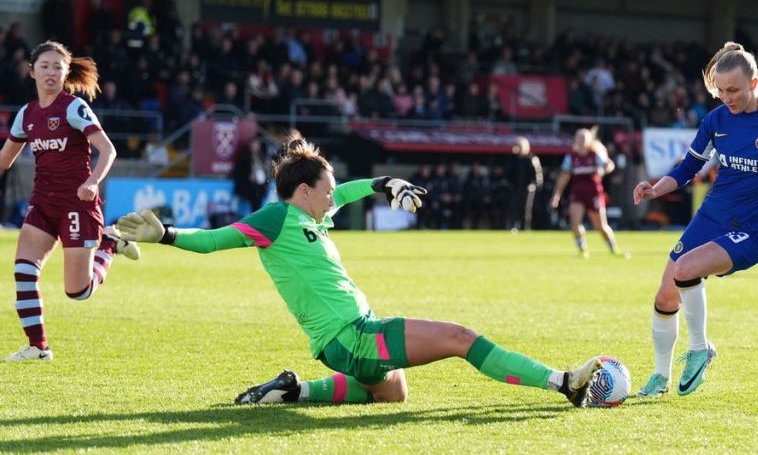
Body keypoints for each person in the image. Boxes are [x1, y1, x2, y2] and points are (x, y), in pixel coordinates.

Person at [115, 134, 602, 406]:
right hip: (352, 337)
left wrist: (385, 183)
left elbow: (346, 192)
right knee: (460, 337)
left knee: (394, 392)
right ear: (303, 191)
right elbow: (215, 239)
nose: (333, 199)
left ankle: (293, 391)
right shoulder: (276, 218)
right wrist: (167, 234)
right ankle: (563, 383)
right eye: (325, 191)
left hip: (343, 342)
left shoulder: (309, 214)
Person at [631, 42, 758, 398]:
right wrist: (656, 189)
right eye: (720, 90)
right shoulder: (716, 120)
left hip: (753, 231)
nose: (726, 98)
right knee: (665, 296)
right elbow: (689, 167)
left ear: (754, 84)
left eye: (733, 90)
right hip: (712, 217)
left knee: (685, 269)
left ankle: (700, 349)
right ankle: (659, 377)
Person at [0, 41, 139, 362]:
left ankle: (110, 243)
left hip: (78, 205)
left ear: (66, 73)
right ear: (31, 72)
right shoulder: (26, 115)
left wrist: (92, 181)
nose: (51, 72)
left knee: (78, 292)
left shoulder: (74, 108)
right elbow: (4, 161)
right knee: (23, 270)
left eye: (57, 67)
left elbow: (108, 149)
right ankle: (38, 347)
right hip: (42, 205)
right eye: (44, 66)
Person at [549, 128, 626, 259]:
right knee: (575, 223)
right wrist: (556, 195)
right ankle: (582, 249)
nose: (581, 140)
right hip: (577, 193)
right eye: (579, 137)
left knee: (600, 226)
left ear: (589, 140)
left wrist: (608, 167)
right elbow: (564, 177)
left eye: (584, 138)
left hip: (594, 193)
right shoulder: (571, 157)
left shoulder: (595, 154)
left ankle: (613, 248)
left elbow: (608, 164)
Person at [507, 136, 543, 231]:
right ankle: (514, 226)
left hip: (528, 189)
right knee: (514, 208)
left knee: (526, 209)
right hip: (515, 188)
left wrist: (534, 185)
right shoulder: (513, 159)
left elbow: (538, 175)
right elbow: (508, 174)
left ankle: (526, 227)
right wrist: (510, 185)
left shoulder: (532, 159)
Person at [231, 137, 271, 214]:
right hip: (248, 184)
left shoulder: (262, 156)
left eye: (257, 144)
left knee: (260, 193)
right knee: (255, 194)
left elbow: (266, 170)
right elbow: (239, 171)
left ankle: (257, 214)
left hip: (261, 184)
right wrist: (249, 176)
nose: (255, 146)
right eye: (254, 144)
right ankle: (255, 215)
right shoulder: (244, 156)